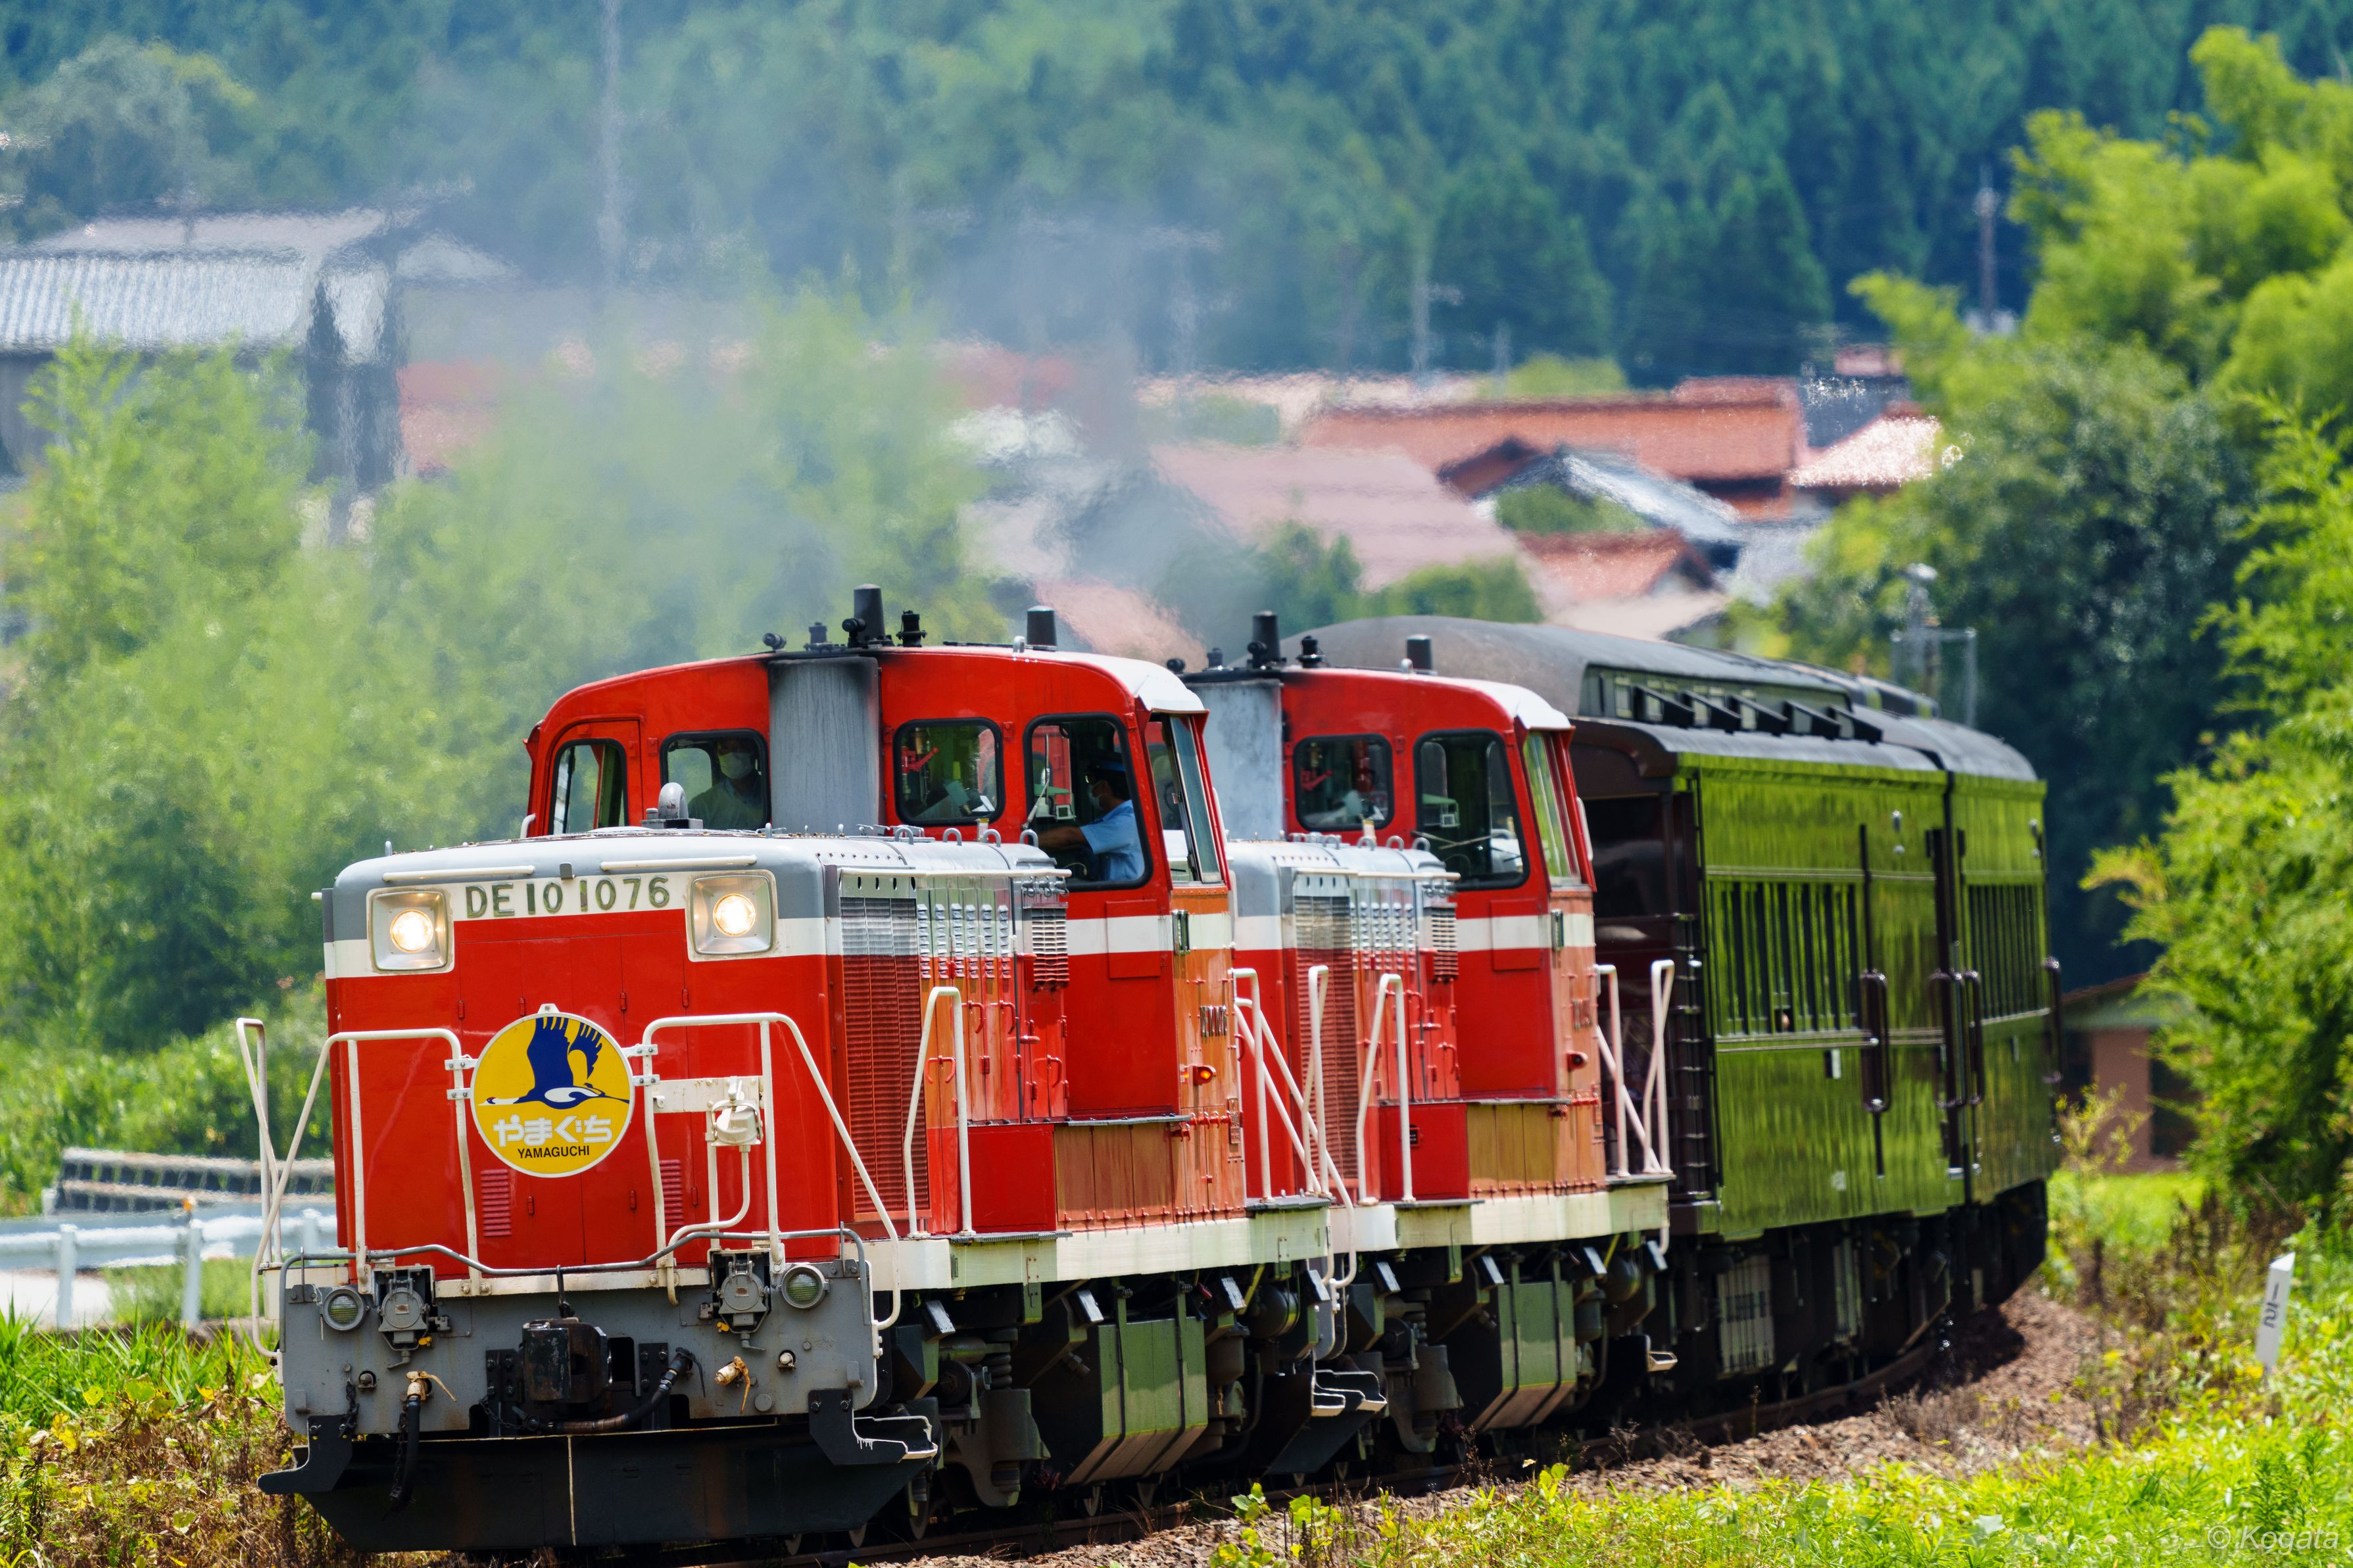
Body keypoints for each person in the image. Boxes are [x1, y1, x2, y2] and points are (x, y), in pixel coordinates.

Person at [1037, 759, 1143, 882]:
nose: (1090, 789)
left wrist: (1025, 842)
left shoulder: (1127, 822)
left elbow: (1071, 836)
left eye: (1091, 782)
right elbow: (1075, 843)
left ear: (1104, 786)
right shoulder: (1114, 817)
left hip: (1123, 892)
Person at [688, 736, 767, 829]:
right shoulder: (701, 806)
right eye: (725, 748)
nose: (731, 755)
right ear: (716, 755)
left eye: (740, 747)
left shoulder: (774, 794)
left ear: (755, 752)